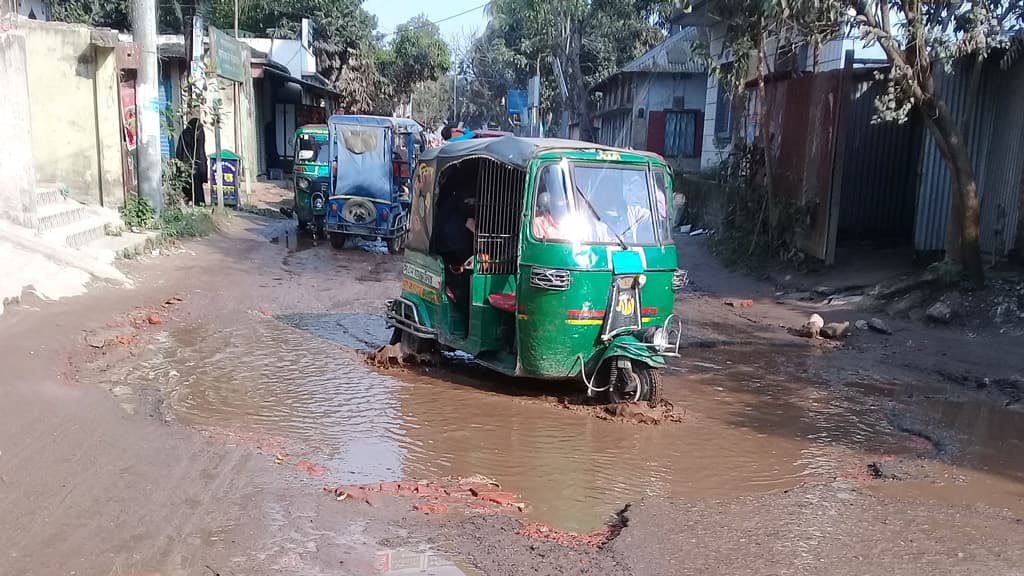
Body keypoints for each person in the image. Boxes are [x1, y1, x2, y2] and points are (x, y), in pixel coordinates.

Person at [176, 118, 207, 205]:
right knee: (197, 185)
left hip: (186, 163)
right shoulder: (199, 133)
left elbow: (179, 150)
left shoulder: (184, 134)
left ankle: (187, 199)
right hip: (198, 163)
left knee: (187, 183)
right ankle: (199, 201)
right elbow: (201, 150)